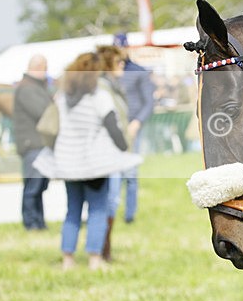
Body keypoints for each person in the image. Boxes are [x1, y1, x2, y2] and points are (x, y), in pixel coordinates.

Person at [34, 52, 142, 271]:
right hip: (94, 164)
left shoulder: (63, 96)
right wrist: (123, 148)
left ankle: (67, 260)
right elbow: (113, 127)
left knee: (72, 211)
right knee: (98, 211)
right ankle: (94, 259)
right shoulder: (98, 96)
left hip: (67, 163)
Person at [114, 33, 155, 223]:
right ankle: (110, 212)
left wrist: (137, 122)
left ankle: (129, 215)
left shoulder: (139, 71)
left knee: (130, 173)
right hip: (111, 128)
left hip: (131, 128)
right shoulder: (108, 73)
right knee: (112, 172)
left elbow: (148, 102)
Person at [96, 45, 130, 262]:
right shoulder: (101, 87)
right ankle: (101, 250)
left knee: (112, 200)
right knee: (108, 201)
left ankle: (103, 249)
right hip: (106, 151)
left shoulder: (112, 85)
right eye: (118, 62)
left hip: (114, 151)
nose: (123, 66)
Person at [13, 54, 53, 231]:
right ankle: (31, 224)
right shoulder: (28, 89)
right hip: (33, 145)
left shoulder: (35, 87)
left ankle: (39, 223)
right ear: (40, 67)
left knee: (39, 187)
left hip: (39, 145)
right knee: (32, 187)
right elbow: (42, 112)